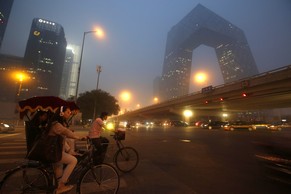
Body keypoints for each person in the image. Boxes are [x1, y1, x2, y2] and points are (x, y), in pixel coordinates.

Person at [47, 106, 85, 194]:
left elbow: (65, 136)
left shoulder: (57, 123)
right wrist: (80, 137)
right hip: (53, 152)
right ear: (61, 113)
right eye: (68, 112)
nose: (70, 113)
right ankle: (61, 185)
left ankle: (56, 186)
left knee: (59, 165)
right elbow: (67, 133)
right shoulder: (56, 124)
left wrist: (69, 150)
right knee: (73, 160)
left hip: (55, 150)